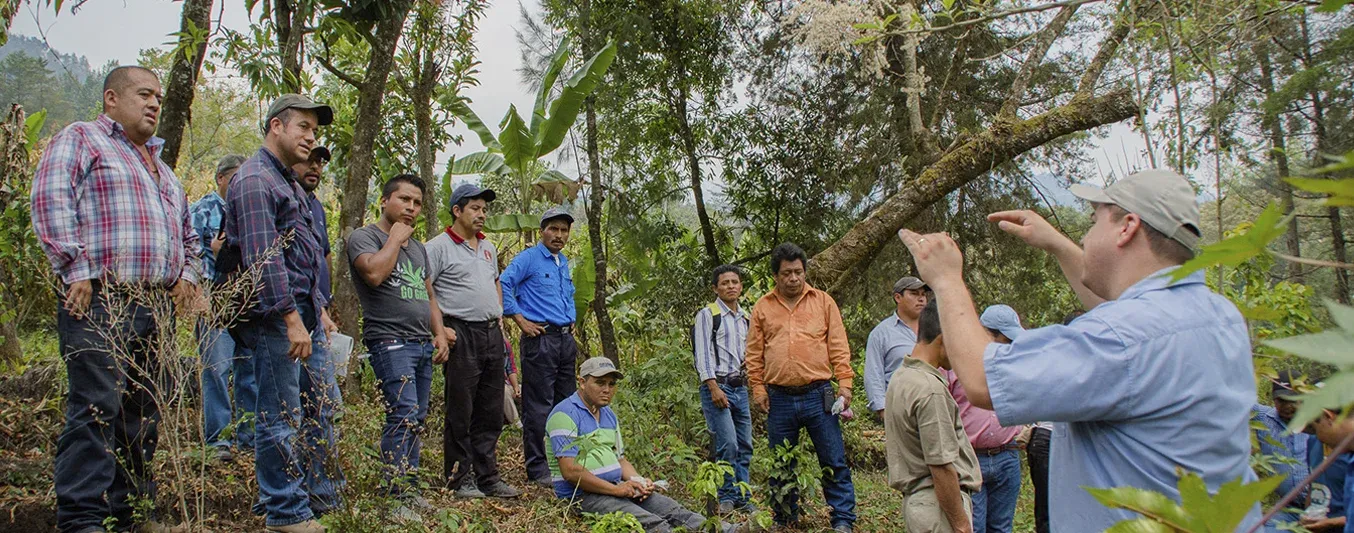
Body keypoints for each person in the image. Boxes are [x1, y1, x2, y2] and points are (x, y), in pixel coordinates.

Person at [898, 168, 1260, 531]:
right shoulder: (1221, 316)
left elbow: (982, 379)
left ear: (1127, 226)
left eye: (1093, 221)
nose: (1086, 235)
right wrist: (1057, 244)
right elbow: (1123, 316)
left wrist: (945, 280)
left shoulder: (1122, 336)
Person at [33, 65, 203, 533]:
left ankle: (131, 514)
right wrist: (77, 268)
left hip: (156, 307)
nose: (154, 103)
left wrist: (186, 275)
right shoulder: (83, 139)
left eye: (158, 98)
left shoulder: (164, 172)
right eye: (144, 94)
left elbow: (190, 237)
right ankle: (82, 518)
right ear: (112, 98)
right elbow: (51, 198)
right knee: (94, 409)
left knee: (142, 415)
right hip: (100, 299)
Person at [224, 94, 342, 533]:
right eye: (304, 128)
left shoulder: (287, 182)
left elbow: (306, 255)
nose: (311, 138)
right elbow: (263, 260)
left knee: (319, 407)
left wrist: (315, 312)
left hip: (303, 316)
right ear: (276, 126)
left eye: (315, 130)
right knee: (281, 415)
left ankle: (319, 496)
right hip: (278, 320)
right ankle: (284, 511)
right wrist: (292, 319)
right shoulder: (256, 180)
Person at [547, 357, 761, 533]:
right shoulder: (565, 414)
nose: (607, 390)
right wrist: (617, 490)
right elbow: (571, 471)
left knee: (673, 509)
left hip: (614, 487)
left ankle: (728, 530)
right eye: (600, 383)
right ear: (582, 382)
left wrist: (637, 481)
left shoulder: (608, 414)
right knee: (652, 523)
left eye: (611, 384)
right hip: (583, 496)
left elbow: (620, 458)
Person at [347, 173, 451, 520]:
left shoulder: (419, 248)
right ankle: (393, 498)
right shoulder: (365, 237)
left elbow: (429, 295)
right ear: (384, 201)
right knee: (402, 415)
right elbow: (373, 275)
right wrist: (394, 239)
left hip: (421, 343)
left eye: (417, 203)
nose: (411, 208)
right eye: (404, 200)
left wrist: (439, 333)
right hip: (389, 341)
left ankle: (409, 486)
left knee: (417, 418)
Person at [746, 243, 857, 532]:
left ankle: (843, 518)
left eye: (798, 272)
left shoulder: (823, 302)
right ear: (776, 276)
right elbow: (754, 353)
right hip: (778, 397)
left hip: (820, 392)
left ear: (805, 272)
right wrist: (758, 388)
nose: (793, 278)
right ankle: (785, 518)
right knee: (782, 462)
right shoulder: (763, 307)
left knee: (833, 457)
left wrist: (845, 385)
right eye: (787, 273)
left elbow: (838, 345)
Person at [426, 183, 522, 499]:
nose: (482, 214)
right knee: (461, 407)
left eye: (484, 209)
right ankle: (459, 476)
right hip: (460, 332)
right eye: (475, 208)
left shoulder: (488, 247)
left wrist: (497, 314)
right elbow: (426, 290)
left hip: (490, 333)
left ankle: (487, 476)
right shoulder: (437, 247)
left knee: (490, 407)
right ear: (457, 210)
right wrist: (439, 329)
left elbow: (495, 280)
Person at [500, 206, 579, 486]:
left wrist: (572, 319)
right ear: (543, 230)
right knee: (538, 406)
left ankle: (565, 463)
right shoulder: (529, 258)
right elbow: (504, 283)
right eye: (554, 229)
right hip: (540, 340)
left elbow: (568, 293)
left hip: (564, 340)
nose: (559, 235)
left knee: (566, 404)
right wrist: (520, 320)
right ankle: (537, 469)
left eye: (564, 230)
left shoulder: (563, 262)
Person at [885, 299, 980, 533]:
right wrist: (960, 524)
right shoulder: (930, 390)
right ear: (943, 339)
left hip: (920, 505)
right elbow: (941, 465)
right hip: (938, 510)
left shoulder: (902, 376)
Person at [942, 304, 1024, 533]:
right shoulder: (956, 363)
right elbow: (943, 407)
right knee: (973, 526)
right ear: (987, 333)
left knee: (1001, 526)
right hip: (970, 457)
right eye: (1005, 339)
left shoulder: (1013, 362)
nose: (1009, 345)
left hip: (1007, 453)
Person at [191, 154, 247, 462]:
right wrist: (199, 294)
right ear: (221, 179)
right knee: (216, 368)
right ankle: (218, 440)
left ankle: (249, 436)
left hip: (247, 299)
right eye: (234, 177)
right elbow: (191, 252)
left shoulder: (249, 209)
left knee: (248, 368)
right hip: (214, 296)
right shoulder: (203, 210)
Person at [692, 264, 754, 513]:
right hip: (718, 386)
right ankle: (726, 496)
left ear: (740, 286)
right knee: (727, 442)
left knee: (745, 444)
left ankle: (743, 496)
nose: (731, 286)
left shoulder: (745, 318)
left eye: (735, 282)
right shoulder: (708, 314)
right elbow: (703, 353)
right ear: (715, 287)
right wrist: (713, 386)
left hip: (740, 387)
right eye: (725, 282)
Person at [1253, 370, 1317, 529]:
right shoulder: (1264, 418)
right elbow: (1234, 400)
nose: (1288, 406)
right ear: (1273, 399)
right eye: (1282, 400)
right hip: (1290, 509)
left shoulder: (1318, 422)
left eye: (1293, 400)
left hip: (1323, 507)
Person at [864, 276, 927, 416]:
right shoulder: (881, 333)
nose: (921, 299)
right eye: (914, 294)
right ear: (898, 297)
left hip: (934, 405)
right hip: (899, 409)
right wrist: (883, 411)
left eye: (923, 294)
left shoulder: (935, 328)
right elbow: (873, 375)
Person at [293, 145, 334, 312]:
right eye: (308, 160)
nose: (315, 167)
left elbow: (325, 252)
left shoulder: (316, 206)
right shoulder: (284, 200)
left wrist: (328, 297)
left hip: (318, 308)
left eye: (319, 162)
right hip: (294, 307)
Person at [1304, 403, 1352, 533]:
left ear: (1328, 417)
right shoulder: (1313, 443)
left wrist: (1331, 522)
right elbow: (1312, 485)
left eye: (1316, 427)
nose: (1317, 434)